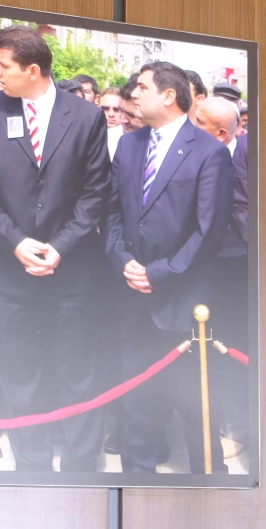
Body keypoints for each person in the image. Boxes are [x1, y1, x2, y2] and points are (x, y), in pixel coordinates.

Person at [0, 25, 112, 472]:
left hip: (72, 271)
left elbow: (96, 194)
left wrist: (61, 246)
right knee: (20, 373)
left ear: (32, 70)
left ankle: (82, 466)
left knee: (77, 371)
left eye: (3, 66)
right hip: (10, 271)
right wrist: (17, 242)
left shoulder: (85, 117)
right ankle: (31, 465)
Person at [105, 62, 233, 472]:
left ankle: (210, 489)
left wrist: (158, 272)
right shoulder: (129, 146)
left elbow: (209, 230)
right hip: (131, 299)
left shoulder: (209, 152)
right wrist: (123, 260)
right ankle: (135, 486)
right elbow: (112, 211)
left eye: (142, 87)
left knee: (196, 408)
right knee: (138, 405)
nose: (133, 93)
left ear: (168, 96)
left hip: (182, 304)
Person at [188, 95, 252, 458]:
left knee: (231, 345)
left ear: (221, 133)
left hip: (234, 265)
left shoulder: (244, 153)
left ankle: (235, 427)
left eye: (200, 122)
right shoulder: (189, 153)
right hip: (197, 266)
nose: (191, 126)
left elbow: (243, 208)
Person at [97, 88, 127, 157]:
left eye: (116, 109)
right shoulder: (87, 133)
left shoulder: (132, 139)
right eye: (105, 108)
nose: (111, 114)